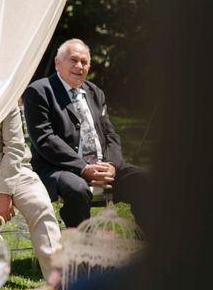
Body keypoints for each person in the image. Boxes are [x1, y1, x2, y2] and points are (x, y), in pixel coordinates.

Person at [23, 38, 148, 228]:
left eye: (84, 62)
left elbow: (111, 135)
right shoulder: (40, 91)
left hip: (103, 167)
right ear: (58, 63)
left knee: (144, 179)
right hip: (60, 168)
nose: (79, 66)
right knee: (77, 189)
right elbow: (45, 139)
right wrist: (83, 168)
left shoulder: (95, 92)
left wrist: (112, 166)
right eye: (73, 60)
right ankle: (81, 249)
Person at [0, 105, 62, 280]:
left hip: (15, 166)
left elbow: (14, 147)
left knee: (40, 205)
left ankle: (60, 285)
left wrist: (5, 193)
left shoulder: (6, 95)